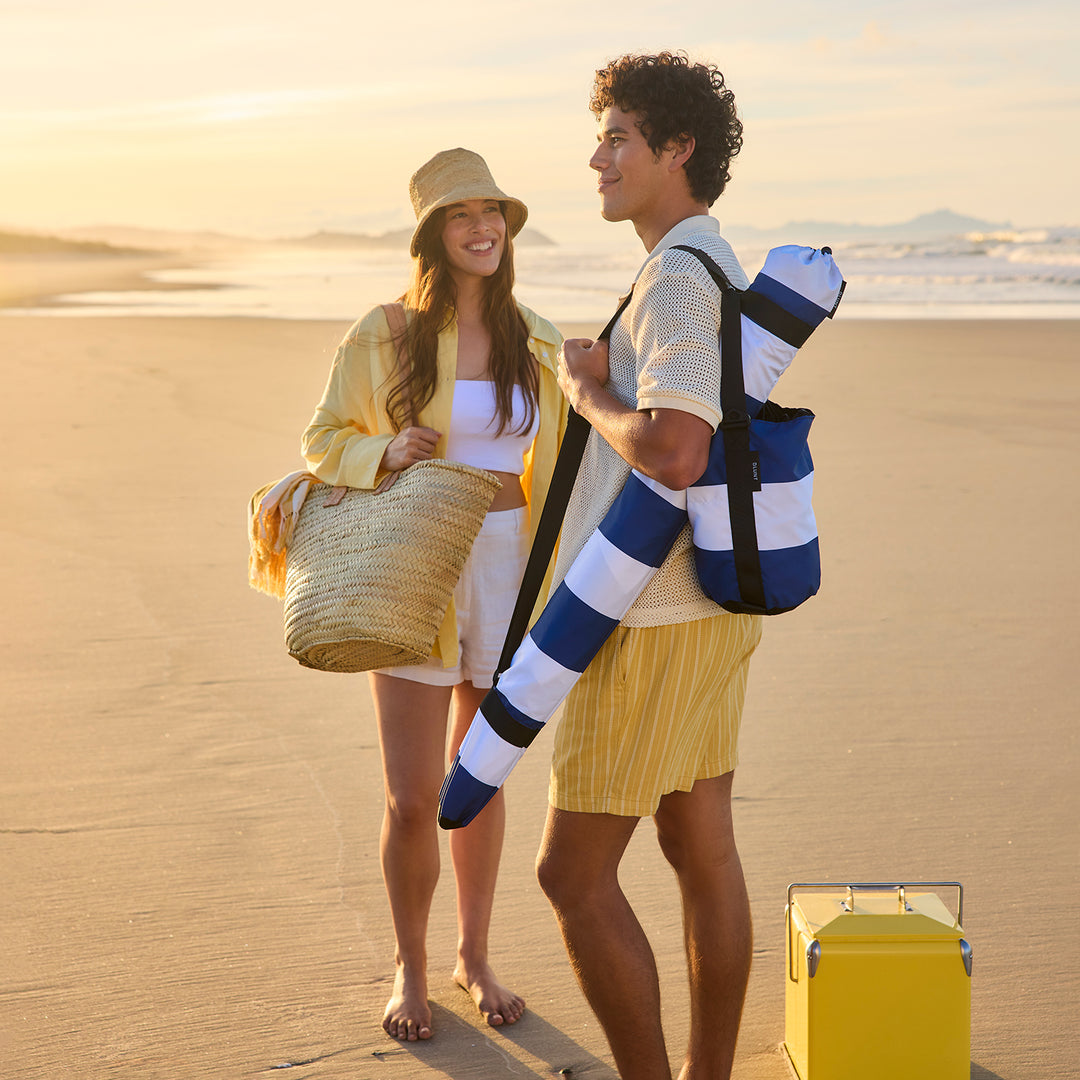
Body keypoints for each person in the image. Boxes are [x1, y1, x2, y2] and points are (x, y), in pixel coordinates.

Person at [301, 148, 566, 1041]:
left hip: (504, 563)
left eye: (491, 211)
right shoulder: (384, 331)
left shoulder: (538, 337)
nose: (482, 226)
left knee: (479, 780)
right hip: (415, 559)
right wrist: (382, 453)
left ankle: (475, 953)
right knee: (413, 795)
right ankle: (411, 969)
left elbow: (569, 458)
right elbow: (321, 436)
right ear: (433, 234)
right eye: (461, 215)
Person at [534, 54, 760, 1080]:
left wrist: (586, 392)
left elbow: (676, 446)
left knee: (572, 877)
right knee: (699, 847)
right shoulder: (710, 264)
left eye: (619, 137)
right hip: (707, 603)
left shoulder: (675, 274)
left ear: (678, 150)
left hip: (648, 617)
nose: (597, 158)